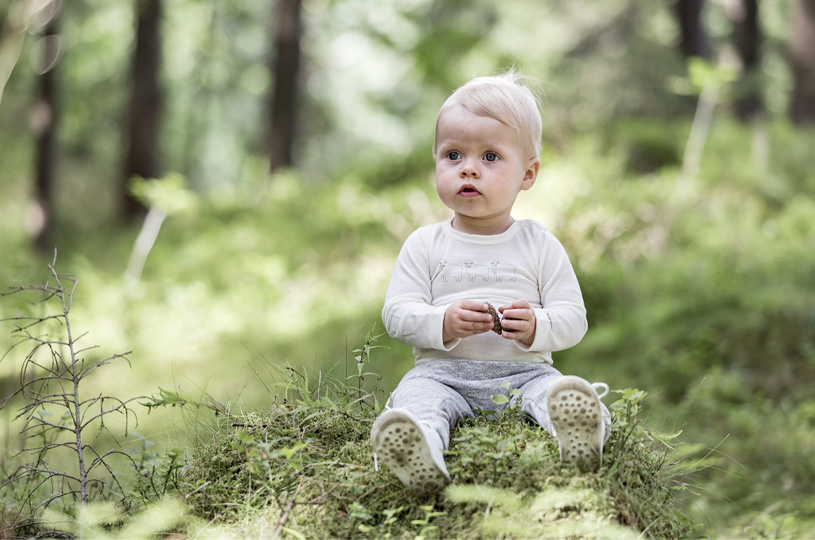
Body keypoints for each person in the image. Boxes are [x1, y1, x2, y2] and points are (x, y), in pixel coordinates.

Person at [370, 71, 611, 492]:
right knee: (419, 400)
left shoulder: (539, 244)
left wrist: (537, 325)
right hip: (442, 373)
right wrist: (442, 321)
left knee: (557, 393)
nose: (469, 170)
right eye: (453, 155)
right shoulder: (425, 243)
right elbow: (397, 314)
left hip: (524, 375)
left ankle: (581, 434)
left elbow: (573, 317)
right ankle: (417, 450)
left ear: (528, 173)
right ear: (436, 162)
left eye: (490, 157)